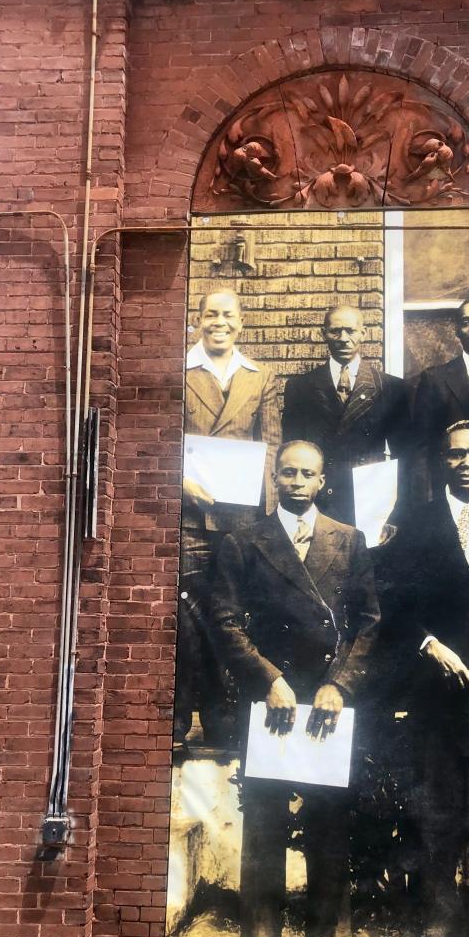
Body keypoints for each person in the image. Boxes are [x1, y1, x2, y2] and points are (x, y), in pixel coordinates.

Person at [210, 440, 380, 937]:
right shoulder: (244, 542)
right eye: (288, 473)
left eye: (308, 473)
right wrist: (270, 678)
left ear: (323, 481)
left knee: (331, 822)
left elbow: (368, 625)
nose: (298, 482)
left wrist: (340, 685)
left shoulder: (349, 541)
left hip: (327, 701)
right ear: (275, 479)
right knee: (264, 824)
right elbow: (225, 623)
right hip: (272, 702)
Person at [388, 420, 469, 937]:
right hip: (437, 691)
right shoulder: (416, 522)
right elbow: (394, 603)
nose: (465, 462)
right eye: (455, 453)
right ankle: (439, 929)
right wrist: (431, 645)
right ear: (442, 460)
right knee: (436, 811)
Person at [175, 289, 280, 751]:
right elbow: (160, 439)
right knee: (185, 617)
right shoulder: (178, 372)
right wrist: (181, 483)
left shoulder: (260, 377)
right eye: (210, 314)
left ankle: (226, 723)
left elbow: (271, 447)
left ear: (242, 322)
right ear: (197, 320)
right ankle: (176, 723)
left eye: (228, 315)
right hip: (190, 519)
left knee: (232, 618)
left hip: (241, 521)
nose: (219, 322)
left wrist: (270, 520)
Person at [281, 304, 411, 528]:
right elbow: (291, 449)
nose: (343, 338)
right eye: (335, 331)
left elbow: (405, 456)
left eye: (350, 331)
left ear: (363, 333)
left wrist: (398, 509)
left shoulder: (390, 387)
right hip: (319, 496)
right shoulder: (300, 387)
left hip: (370, 496)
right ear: (324, 334)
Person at [412, 297, 469, 496]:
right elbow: (422, 448)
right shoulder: (435, 379)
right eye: (466, 322)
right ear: (457, 331)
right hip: (451, 491)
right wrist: (426, 500)